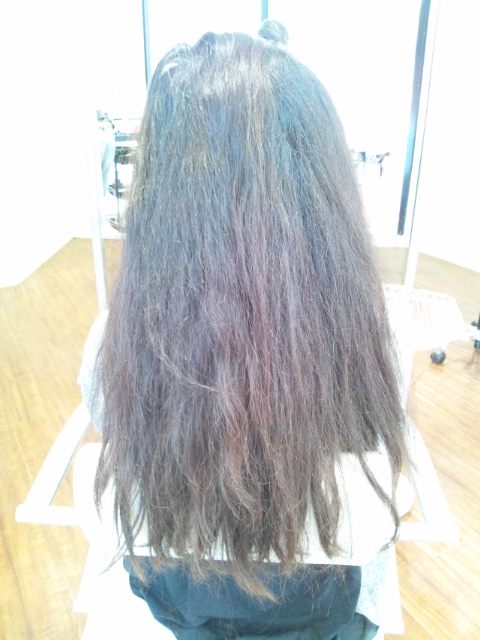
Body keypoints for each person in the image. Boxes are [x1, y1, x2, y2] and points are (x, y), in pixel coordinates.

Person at [79, 31, 408, 639]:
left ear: (159, 197)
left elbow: (118, 440)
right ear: (327, 191)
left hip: (181, 609)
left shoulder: (110, 349)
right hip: (328, 620)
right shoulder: (376, 348)